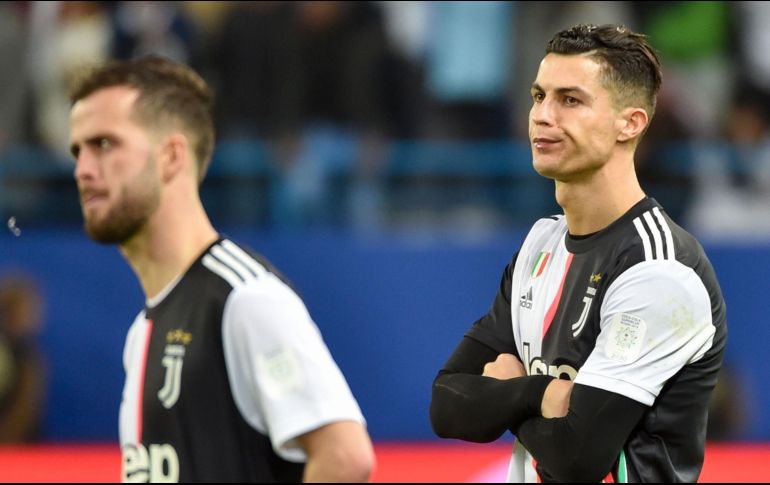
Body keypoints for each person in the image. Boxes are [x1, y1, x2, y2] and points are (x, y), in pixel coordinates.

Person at [430, 24, 727, 483]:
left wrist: (508, 391)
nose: (542, 116)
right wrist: (538, 394)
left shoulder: (658, 268)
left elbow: (575, 458)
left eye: (570, 100)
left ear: (630, 123)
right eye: (538, 95)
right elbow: (446, 404)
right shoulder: (539, 244)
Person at [68, 56, 374, 482]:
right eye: (77, 150)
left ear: (171, 156)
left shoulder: (244, 299)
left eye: (104, 144)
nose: (82, 170)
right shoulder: (144, 329)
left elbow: (345, 457)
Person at [0, 273, 47, 443]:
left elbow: (26, 410)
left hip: (23, 451)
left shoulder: (28, 356)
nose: (33, 316)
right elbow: (22, 410)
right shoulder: (20, 357)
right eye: (25, 309)